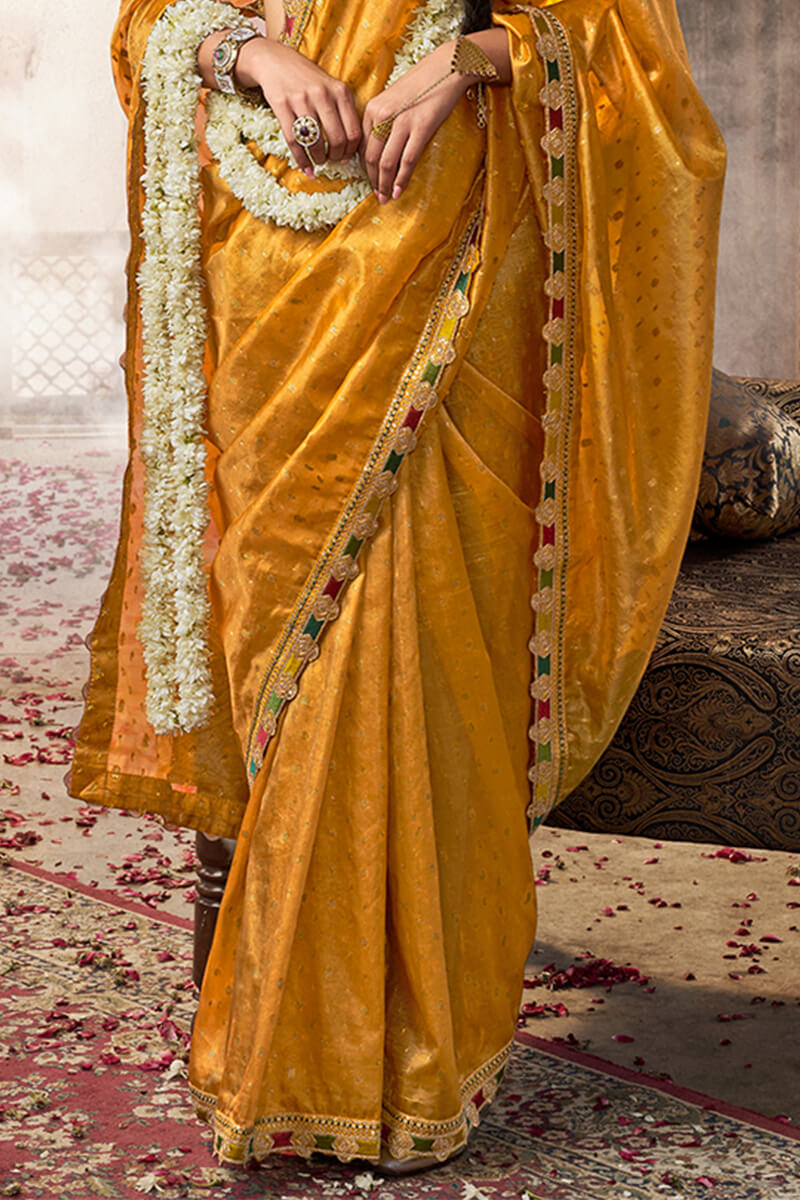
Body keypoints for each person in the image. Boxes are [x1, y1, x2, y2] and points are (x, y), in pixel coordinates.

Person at [71, 0, 725, 1175]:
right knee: (274, 653)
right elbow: (150, 20)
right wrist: (253, 54)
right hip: (257, 278)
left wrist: (464, 62)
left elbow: (623, 46)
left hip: (436, 258)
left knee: (393, 643)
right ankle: (296, 1037)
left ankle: (380, 1060)